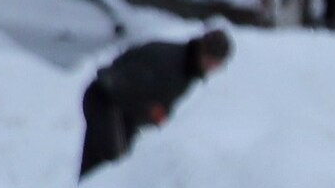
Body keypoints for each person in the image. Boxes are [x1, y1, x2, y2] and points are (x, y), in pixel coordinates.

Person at [79, 26, 234, 177]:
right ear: (201, 50)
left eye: (218, 64)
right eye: (210, 60)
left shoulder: (187, 69)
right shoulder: (169, 61)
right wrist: (149, 109)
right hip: (105, 100)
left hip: (123, 112)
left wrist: (158, 113)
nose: (212, 67)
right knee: (110, 169)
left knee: (106, 171)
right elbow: (120, 83)